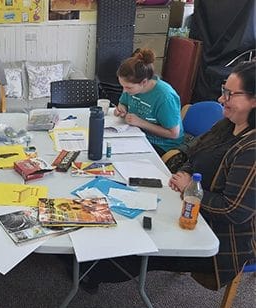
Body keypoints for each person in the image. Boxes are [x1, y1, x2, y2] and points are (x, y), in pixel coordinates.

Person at [82, 61, 255, 292]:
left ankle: (90, 269)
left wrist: (189, 188)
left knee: (129, 246)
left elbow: (233, 210)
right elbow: (193, 150)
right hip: (186, 205)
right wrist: (184, 171)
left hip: (217, 238)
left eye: (230, 94)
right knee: (122, 205)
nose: (221, 99)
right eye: (223, 90)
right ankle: (88, 261)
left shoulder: (251, 149)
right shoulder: (227, 124)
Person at [114, 48, 183, 156]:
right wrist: (122, 108)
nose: (125, 91)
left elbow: (174, 134)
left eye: (128, 88)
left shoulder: (165, 97)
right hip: (137, 134)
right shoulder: (132, 87)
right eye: (122, 86)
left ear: (144, 82)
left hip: (162, 146)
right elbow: (123, 103)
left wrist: (140, 122)